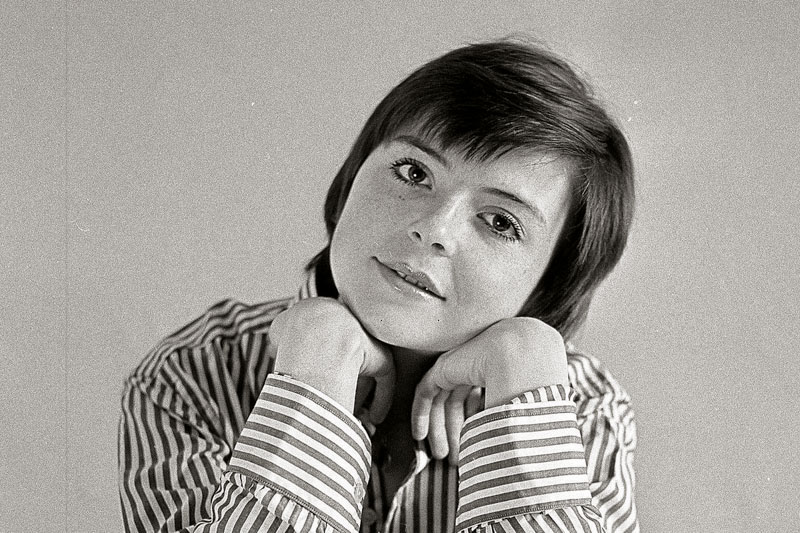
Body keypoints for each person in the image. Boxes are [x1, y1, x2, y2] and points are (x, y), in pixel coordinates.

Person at [119, 38, 638, 533]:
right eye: (413, 172)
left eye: (501, 222)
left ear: (550, 282)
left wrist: (524, 406)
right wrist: (312, 385)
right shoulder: (197, 373)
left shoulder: (585, 411)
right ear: (351, 178)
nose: (433, 229)